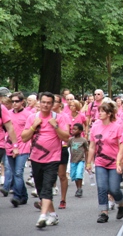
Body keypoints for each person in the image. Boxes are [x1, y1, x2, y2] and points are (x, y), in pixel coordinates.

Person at [21, 92, 70, 228]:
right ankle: (53, 215)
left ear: (53, 104)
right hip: (36, 158)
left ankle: (42, 216)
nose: (46, 105)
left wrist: (55, 126)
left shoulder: (59, 118)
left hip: (53, 158)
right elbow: (24, 138)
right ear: (39, 102)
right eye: (43, 102)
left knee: (47, 187)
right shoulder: (32, 118)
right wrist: (33, 126)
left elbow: (66, 137)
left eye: (49, 102)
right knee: (41, 188)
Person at [86, 101, 123, 224]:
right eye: (99, 111)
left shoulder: (117, 127)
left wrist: (120, 162)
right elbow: (92, 146)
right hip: (100, 162)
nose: (100, 114)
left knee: (114, 189)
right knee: (102, 187)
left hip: (114, 162)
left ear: (109, 114)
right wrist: (89, 163)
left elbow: (122, 146)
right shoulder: (95, 126)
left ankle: (121, 204)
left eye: (103, 111)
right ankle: (103, 212)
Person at [1, 92, 30, 207]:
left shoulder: (28, 115)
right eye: (12, 101)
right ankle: (24, 195)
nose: (14, 104)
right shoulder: (7, 113)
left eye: (16, 101)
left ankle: (17, 196)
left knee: (18, 173)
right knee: (14, 172)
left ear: (22, 102)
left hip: (23, 146)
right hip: (9, 146)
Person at [67, 123, 88, 198]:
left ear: (80, 131)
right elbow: (66, 147)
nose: (73, 130)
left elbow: (86, 150)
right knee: (74, 175)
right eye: (72, 129)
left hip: (81, 160)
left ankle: (79, 189)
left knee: (79, 173)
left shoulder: (83, 140)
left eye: (75, 129)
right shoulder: (71, 140)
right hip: (73, 160)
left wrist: (87, 161)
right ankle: (78, 188)